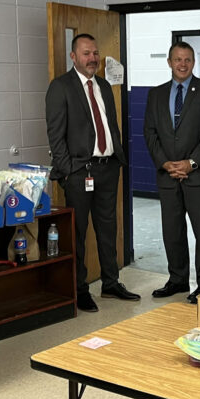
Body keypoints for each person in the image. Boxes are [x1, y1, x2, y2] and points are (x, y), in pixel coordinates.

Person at [46, 33, 141, 313]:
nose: (93, 59)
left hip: (107, 170)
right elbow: (55, 135)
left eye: (96, 53)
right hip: (78, 173)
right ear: (73, 57)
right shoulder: (60, 87)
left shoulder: (103, 85)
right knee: (77, 233)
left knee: (108, 229)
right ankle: (80, 289)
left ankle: (111, 283)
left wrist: (116, 158)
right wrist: (66, 171)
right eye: (86, 53)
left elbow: (109, 125)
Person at [144, 41, 200, 304]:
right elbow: (150, 133)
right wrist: (165, 163)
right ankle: (177, 280)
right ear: (169, 62)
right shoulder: (155, 94)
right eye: (178, 59)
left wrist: (191, 163)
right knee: (172, 231)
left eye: (188, 59)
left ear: (193, 62)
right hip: (168, 175)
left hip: (198, 176)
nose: (183, 64)